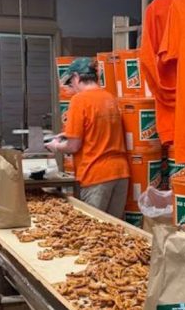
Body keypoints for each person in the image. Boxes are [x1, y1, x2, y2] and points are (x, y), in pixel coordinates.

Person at [45, 57, 130, 218]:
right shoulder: (109, 98)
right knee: (114, 234)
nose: (72, 87)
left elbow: (73, 146)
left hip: (95, 175)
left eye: (71, 82)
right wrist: (66, 135)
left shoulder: (79, 100)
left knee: (93, 231)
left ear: (77, 77)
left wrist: (56, 146)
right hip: (120, 173)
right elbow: (101, 130)